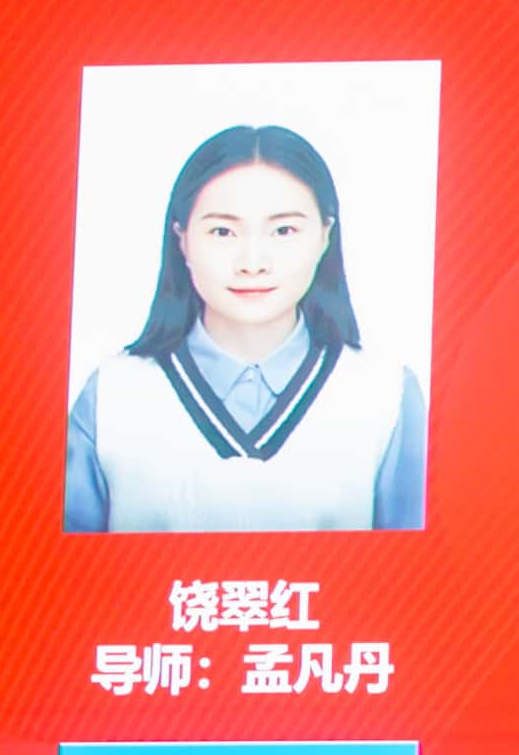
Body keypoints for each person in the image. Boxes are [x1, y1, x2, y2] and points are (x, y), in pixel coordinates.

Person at [66, 123, 425, 533]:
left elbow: (416, 567)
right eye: (222, 231)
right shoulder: (113, 393)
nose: (252, 263)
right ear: (182, 239)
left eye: (283, 230)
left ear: (325, 236)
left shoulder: (385, 394)